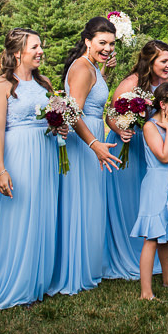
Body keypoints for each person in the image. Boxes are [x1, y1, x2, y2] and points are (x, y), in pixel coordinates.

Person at [0, 29, 58, 309]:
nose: (40, 52)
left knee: (42, 215)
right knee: (20, 216)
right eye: (35, 47)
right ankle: (14, 284)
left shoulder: (45, 83)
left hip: (45, 153)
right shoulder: (0, 86)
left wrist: (57, 124)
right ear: (18, 53)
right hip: (18, 154)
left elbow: (52, 118)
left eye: (41, 47)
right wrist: (1, 170)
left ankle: (37, 281)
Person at [51, 17, 121, 295]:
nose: (107, 48)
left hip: (92, 136)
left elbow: (92, 95)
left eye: (111, 44)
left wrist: (103, 69)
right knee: (81, 201)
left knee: (89, 201)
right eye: (102, 43)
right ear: (87, 40)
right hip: (85, 141)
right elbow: (73, 111)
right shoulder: (81, 67)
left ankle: (86, 264)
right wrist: (94, 144)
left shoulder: (91, 66)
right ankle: (75, 270)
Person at [104, 40, 168, 280]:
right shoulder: (130, 83)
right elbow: (110, 115)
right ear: (150, 61)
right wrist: (121, 128)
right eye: (163, 61)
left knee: (149, 203)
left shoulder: (165, 84)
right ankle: (128, 253)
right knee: (129, 202)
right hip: (128, 147)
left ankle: (154, 255)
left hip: (152, 150)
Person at [131, 83, 168, 300]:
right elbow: (164, 157)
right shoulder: (150, 126)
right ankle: (146, 292)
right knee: (153, 237)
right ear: (163, 104)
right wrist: (166, 129)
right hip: (157, 184)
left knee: (166, 236)